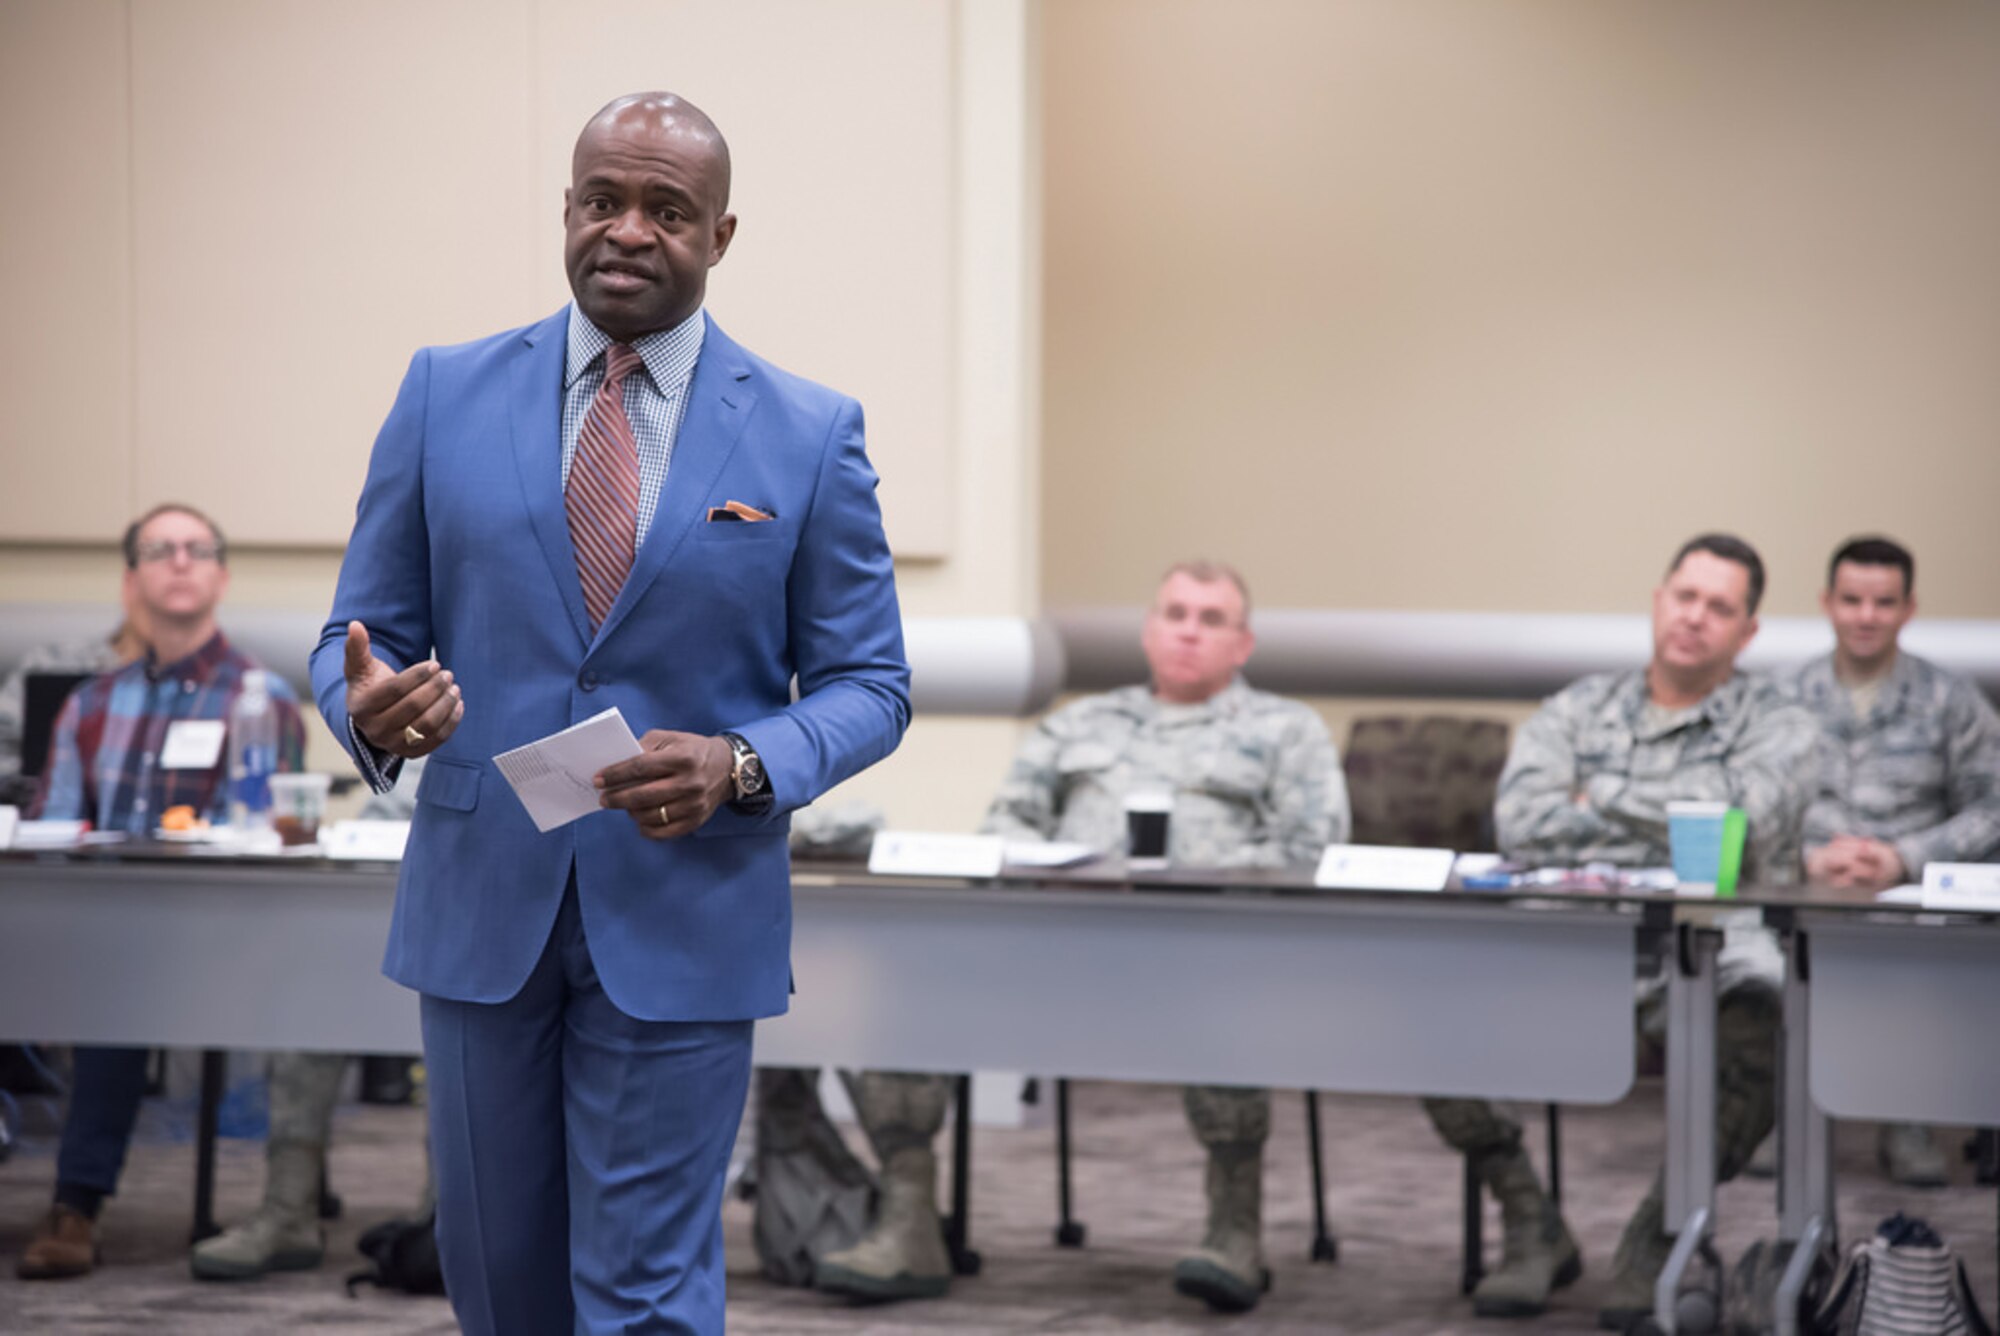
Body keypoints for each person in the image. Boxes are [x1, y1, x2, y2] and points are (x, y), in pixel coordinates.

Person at [308, 92, 909, 1335]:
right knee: (500, 1280)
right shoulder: (443, 392)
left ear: (720, 235)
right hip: (481, 909)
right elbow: (357, 640)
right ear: (567, 210)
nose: (628, 231)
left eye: (666, 210)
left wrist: (745, 760)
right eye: (603, 201)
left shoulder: (807, 432)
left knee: (641, 1294)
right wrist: (369, 710)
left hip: (684, 913)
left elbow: (870, 684)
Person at [813, 561, 1348, 1315]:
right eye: (1175, 612)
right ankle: (909, 1222)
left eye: (1211, 618)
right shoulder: (1080, 723)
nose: (1189, 629)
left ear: (1244, 643)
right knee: (916, 977)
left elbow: (1310, 850)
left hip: (1216, 951)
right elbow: (1006, 828)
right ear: (1149, 629)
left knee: (1230, 998)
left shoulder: (1285, 731)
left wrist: (1205, 884)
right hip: (1061, 949)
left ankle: (1235, 1231)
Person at [1421, 534, 1818, 1328]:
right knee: (1433, 1005)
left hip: (1710, 937)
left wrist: (1595, 793)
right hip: (1571, 931)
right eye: (1685, 596)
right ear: (1657, 599)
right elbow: (1523, 818)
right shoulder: (1578, 706)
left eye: (1719, 607)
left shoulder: (1781, 720)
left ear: (1747, 632)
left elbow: (1745, 816)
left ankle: (1659, 1240)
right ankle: (1530, 1222)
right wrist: (1681, 812)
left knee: (1771, 1016)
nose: (1695, 618)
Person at [15, 503, 306, 1280]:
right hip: (105, 925)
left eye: (196, 548)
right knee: (111, 957)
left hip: (225, 932)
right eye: (160, 549)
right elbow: (54, 829)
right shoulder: (91, 703)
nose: (179, 560)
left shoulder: (261, 697)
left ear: (221, 575)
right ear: (131, 578)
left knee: (123, 974)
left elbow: (270, 832)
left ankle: (75, 1204)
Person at [1783, 535, 2000, 1187]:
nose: (1866, 616)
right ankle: (1777, 1112)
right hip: (1803, 892)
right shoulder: (1781, 697)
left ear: (1909, 608)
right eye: (1851, 600)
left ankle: (1907, 1113)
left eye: (1884, 601)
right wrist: (1809, 858)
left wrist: (1905, 859)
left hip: (1912, 899)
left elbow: (1994, 804)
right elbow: (1744, 803)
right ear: (1827, 603)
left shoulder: (1949, 700)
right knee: (1748, 961)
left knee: (1922, 960)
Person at [190, 761, 431, 1281]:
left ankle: (444, 1228)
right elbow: (383, 804)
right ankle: (287, 1214)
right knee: (310, 1017)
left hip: (469, 904)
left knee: (456, 1052)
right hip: (374, 886)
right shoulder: (416, 691)